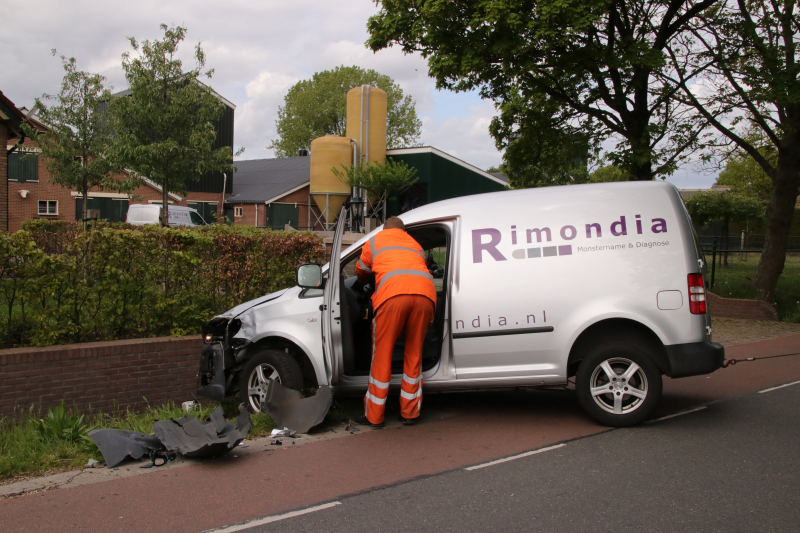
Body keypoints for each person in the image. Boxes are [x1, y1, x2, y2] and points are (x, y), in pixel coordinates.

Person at [354, 216, 436, 426]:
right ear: (404, 231)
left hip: (392, 295)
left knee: (382, 354)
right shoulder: (415, 245)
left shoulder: (375, 240)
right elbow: (418, 268)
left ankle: (374, 416)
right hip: (425, 295)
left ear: (384, 229)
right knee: (414, 352)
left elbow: (361, 270)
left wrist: (366, 280)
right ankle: (410, 413)